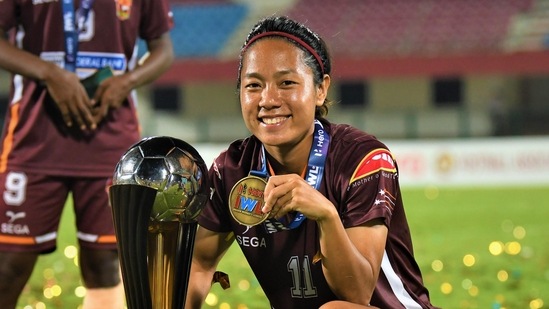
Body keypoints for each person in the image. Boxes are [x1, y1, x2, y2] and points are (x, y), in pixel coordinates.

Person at [186, 15, 439, 309]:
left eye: (287, 83)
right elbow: (198, 265)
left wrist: (326, 215)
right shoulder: (230, 170)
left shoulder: (363, 159)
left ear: (320, 90)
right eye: (253, 85)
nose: (268, 99)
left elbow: (356, 294)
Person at [0, 1, 174, 308]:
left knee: (105, 265)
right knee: (7, 267)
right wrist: (49, 73)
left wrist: (126, 81)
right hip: (33, 141)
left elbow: (162, 48)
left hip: (110, 144)